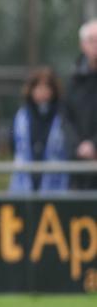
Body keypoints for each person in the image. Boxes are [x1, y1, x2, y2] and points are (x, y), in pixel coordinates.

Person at [9, 67, 70, 192]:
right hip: (24, 183)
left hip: (56, 184)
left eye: (46, 87)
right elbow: (14, 145)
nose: (42, 91)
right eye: (38, 87)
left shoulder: (62, 116)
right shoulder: (21, 117)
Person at [65, 19, 97, 189]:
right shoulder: (73, 81)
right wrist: (79, 147)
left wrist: (94, 145)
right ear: (82, 45)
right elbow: (66, 118)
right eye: (92, 40)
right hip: (79, 166)